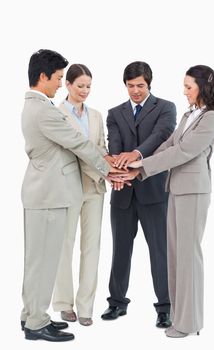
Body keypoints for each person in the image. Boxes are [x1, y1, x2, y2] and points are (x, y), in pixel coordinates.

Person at [20, 49, 123, 342]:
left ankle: (31, 316)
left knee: (36, 260)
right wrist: (108, 169)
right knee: (45, 260)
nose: (58, 83)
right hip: (51, 194)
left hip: (48, 193)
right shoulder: (45, 110)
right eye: (58, 78)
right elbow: (78, 142)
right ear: (43, 77)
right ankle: (37, 322)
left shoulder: (38, 107)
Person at [124, 65, 214, 337]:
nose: (184, 92)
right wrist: (138, 165)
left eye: (189, 87)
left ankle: (189, 323)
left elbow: (183, 152)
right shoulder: (190, 114)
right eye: (184, 87)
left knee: (188, 258)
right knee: (175, 256)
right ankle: (178, 318)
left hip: (194, 192)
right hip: (176, 189)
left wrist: (143, 166)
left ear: (203, 88)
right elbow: (169, 144)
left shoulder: (211, 118)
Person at [101, 61, 176, 328]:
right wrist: (118, 170)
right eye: (130, 86)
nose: (135, 91)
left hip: (154, 191)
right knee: (120, 250)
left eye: (140, 86)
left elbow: (161, 136)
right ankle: (117, 303)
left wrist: (137, 155)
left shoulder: (166, 108)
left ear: (149, 84)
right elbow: (115, 142)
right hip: (123, 192)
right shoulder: (114, 113)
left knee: (159, 250)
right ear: (125, 85)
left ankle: (165, 307)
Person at [52, 64, 111, 326]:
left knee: (92, 248)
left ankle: (86, 306)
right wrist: (107, 171)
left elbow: (101, 148)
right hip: (68, 188)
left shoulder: (96, 115)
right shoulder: (55, 114)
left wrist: (111, 170)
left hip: (95, 188)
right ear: (68, 85)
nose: (85, 91)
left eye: (89, 86)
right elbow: (72, 151)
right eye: (80, 86)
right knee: (64, 246)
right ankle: (64, 304)